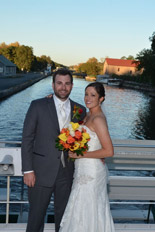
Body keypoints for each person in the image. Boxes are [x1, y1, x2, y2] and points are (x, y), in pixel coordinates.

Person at [21, 68, 86, 232]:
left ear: (72, 86)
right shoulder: (37, 106)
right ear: (53, 85)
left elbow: (84, 139)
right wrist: (28, 170)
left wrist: (95, 156)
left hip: (67, 173)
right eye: (59, 83)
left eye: (67, 84)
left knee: (64, 219)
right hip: (40, 172)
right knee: (36, 217)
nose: (63, 87)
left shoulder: (80, 110)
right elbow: (27, 139)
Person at [59, 82, 115, 232]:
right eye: (86, 94)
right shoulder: (88, 114)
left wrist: (81, 153)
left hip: (91, 172)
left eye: (93, 95)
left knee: (87, 209)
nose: (88, 98)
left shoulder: (98, 119)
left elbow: (109, 151)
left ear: (101, 98)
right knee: (79, 208)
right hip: (81, 169)